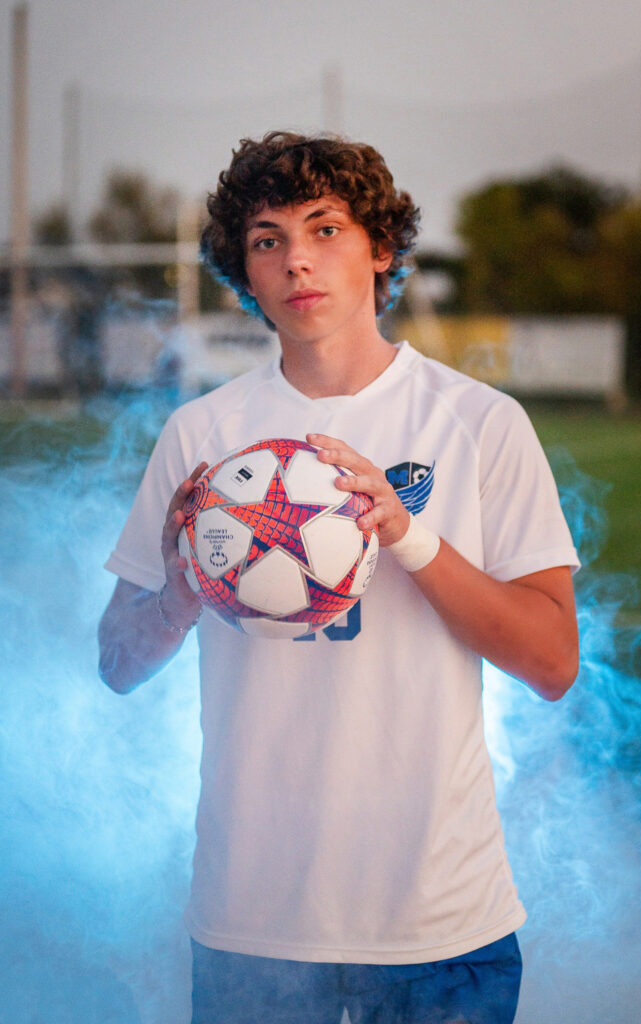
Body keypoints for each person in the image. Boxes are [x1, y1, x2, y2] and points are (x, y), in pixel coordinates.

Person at [99, 131, 580, 1024]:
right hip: (255, 919)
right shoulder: (202, 438)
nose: (297, 261)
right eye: (268, 239)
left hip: (438, 922)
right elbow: (118, 664)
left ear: (382, 247)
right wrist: (178, 595)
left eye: (325, 229)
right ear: (245, 270)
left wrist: (406, 535)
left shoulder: (478, 422)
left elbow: (552, 663)